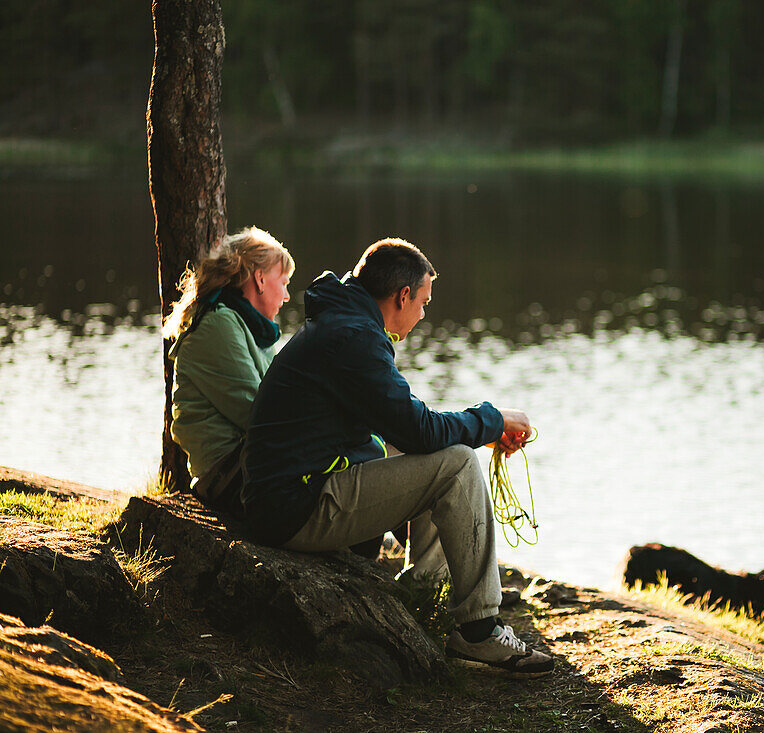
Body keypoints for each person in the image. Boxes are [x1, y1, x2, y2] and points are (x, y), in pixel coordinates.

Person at [241, 238, 553, 677]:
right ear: (402, 296)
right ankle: (479, 629)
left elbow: (409, 426)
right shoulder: (354, 338)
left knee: (443, 450)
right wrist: (493, 419)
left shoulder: (345, 323)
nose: (424, 313)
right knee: (457, 462)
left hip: (294, 493)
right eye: (424, 301)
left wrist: (480, 430)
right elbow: (418, 428)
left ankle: (425, 593)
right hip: (296, 507)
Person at [162, 226, 294, 505]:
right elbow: (258, 413)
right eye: (283, 282)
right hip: (229, 476)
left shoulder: (253, 330)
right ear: (259, 279)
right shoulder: (218, 324)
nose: (286, 296)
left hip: (250, 464)